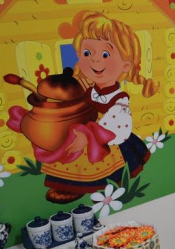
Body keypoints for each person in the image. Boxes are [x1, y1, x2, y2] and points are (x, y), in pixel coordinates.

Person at [41, 12, 160, 203]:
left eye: (105, 54)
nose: (95, 60)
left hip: (106, 143)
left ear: (125, 66)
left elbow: (116, 131)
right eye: (87, 53)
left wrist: (88, 138)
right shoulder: (87, 89)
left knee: (97, 165)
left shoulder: (119, 102)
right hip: (83, 134)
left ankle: (90, 187)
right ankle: (69, 183)